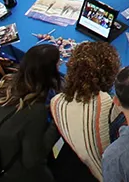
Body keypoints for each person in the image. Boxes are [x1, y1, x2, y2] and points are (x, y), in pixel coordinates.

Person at [0, 43, 62, 182]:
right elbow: (32, 160)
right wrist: (57, 124)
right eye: (57, 63)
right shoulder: (35, 111)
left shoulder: (2, 88)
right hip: (19, 174)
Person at [50, 41, 123, 181]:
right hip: (105, 172)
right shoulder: (107, 105)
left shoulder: (56, 102)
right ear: (110, 73)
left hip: (78, 161)